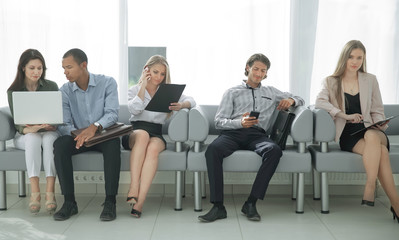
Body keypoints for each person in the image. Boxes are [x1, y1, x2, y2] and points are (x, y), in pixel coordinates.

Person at [198, 53, 304, 222]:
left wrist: (291, 100)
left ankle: (250, 203)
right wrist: (240, 122)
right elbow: (219, 122)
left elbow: (300, 99)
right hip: (233, 133)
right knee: (212, 150)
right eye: (256, 69)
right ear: (248, 68)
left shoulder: (271, 92)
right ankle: (218, 206)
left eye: (263, 70)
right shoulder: (232, 92)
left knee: (274, 150)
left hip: (257, 135)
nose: (259, 73)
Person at [315, 40, 399, 222]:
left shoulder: (370, 79)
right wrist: (343, 115)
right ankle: (397, 206)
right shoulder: (331, 81)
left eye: (359, 57)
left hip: (373, 130)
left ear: (364, 59)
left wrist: (379, 124)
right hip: (349, 135)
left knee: (371, 135)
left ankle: (369, 185)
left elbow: (377, 109)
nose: (355, 61)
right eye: (351, 57)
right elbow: (320, 102)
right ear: (344, 58)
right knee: (382, 153)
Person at [122, 55, 195, 218]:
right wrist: (142, 85)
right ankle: (134, 186)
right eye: (155, 72)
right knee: (142, 136)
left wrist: (182, 105)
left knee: (153, 148)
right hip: (136, 131)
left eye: (162, 74)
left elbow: (192, 100)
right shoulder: (134, 90)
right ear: (146, 70)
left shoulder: (168, 91)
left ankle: (139, 202)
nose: (159, 77)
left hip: (156, 132)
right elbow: (134, 110)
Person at [53, 48, 121, 221]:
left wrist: (94, 127)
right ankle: (69, 203)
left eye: (69, 67)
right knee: (60, 145)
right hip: (79, 138)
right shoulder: (65, 91)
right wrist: (81, 135)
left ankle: (110, 202)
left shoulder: (107, 83)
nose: (65, 72)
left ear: (83, 65)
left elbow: (112, 113)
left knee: (113, 144)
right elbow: (64, 124)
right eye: (63, 68)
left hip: (102, 135)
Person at [7, 49, 59, 214]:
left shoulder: (51, 86)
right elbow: (18, 125)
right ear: (23, 68)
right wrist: (31, 129)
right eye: (32, 68)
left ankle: (50, 192)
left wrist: (53, 125)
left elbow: (57, 116)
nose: (37, 72)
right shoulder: (14, 91)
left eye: (40, 68)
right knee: (33, 138)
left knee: (50, 139)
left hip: (48, 131)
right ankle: (35, 193)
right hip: (26, 134)